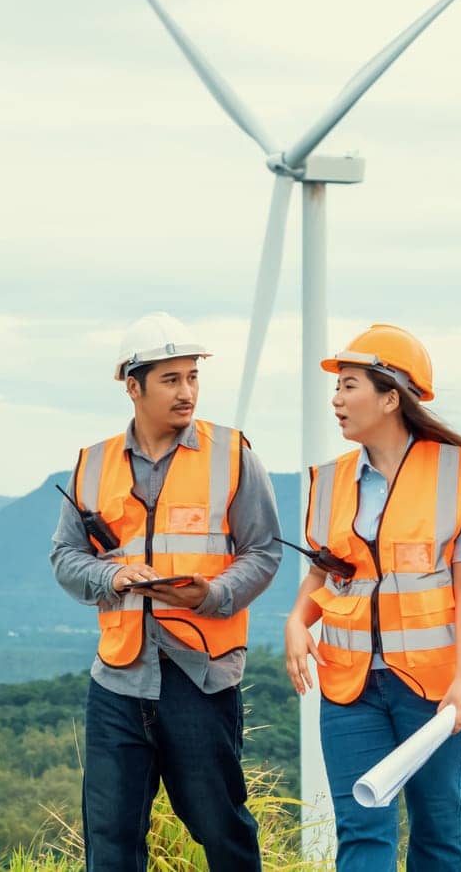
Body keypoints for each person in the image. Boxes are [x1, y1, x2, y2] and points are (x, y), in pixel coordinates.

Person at [51, 311, 281, 871]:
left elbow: (265, 551)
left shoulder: (233, 455)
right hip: (119, 678)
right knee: (109, 842)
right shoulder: (92, 464)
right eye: (171, 380)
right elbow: (65, 557)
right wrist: (111, 576)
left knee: (221, 829)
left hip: (199, 674)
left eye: (193, 378)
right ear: (133, 386)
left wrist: (213, 593)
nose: (187, 393)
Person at [283, 324, 461, 871]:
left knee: (437, 826)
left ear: (389, 396)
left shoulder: (456, 471)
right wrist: (296, 620)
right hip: (349, 684)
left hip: (435, 685)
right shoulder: (327, 482)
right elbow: (329, 573)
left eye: (349, 385)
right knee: (361, 829)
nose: (335, 400)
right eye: (336, 388)